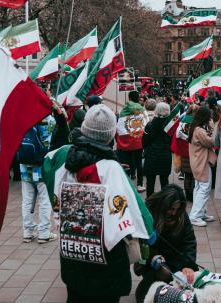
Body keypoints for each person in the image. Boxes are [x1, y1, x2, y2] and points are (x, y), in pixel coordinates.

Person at [58, 104, 139, 303]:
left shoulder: (67, 162)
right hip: (105, 257)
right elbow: (126, 210)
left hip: (74, 251)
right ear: (110, 135)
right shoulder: (111, 168)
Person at [134, 185, 197, 303]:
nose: (174, 213)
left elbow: (189, 242)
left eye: (177, 209)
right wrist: (153, 256)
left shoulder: (181, 216)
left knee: (189, 279)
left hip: (176, 261)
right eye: (171, 209)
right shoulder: (149, 213)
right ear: (163, 204)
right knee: (164, 273)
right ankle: (147, 288)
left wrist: (188, 265)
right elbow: (140, 242)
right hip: (152, 261)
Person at [18, 118, 56, 244]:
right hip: (42, 165)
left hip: (25, 165)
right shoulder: (48, 119)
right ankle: (44, 233)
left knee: (27, 200)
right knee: (45, 200)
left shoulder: (24, 117)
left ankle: (27, 232)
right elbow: (50, 136)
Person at [187, 106, 217, 227]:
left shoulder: (194, 128)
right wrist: (213, 126)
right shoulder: (199, 131)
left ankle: (201, 212)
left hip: (197, 162)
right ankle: (195, 216)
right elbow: (211, 141)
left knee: (199, 187)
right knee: (204, 188)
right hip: (202, 162)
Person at [116, 91, 147, 193]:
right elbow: (145, 124)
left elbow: (120, 126)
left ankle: (128, 184)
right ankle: (140, 185)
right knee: (139, 162)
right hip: (138, 139)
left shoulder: (123, 110)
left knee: (127, 163)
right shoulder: (142, 109)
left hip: (127, 140)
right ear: (138, 98)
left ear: (129, 98)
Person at [142, 102, 173, 196]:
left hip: (151, 155)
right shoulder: (170, 126)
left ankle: (150, 203)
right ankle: (165, 202)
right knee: (164, 182)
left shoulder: (150, 125)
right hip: (165, 155)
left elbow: (144, 142)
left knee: (150, 182)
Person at [173, 105, 197, 201]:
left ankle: (187, 194)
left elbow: (177, 135)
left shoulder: (182, 122)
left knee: (187, 175)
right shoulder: (197, 123)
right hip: (194, 151)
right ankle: (192, 194)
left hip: (184, 152)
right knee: (194, 175)